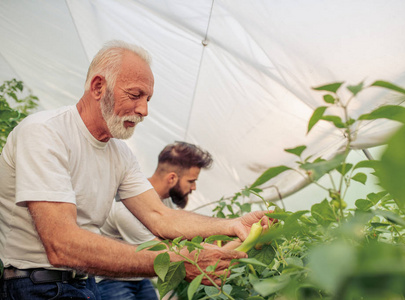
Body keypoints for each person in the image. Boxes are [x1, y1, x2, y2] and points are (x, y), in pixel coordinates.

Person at [0, 40, 269, 299]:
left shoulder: (120, 154)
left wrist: (232, 225)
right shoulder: (45, 133)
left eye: (148, 99)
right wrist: (177, 261)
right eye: (135, 95)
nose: (144, 110)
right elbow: (62, 244)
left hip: (85, 284)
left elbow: (160, 215)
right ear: (98, 87)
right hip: (35, 287)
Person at [97, 141, 213, 300]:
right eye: (191, 181)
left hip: (138, 277)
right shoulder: (126, 206)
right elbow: (168, 254)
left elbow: (179, 232)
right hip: (109, 280)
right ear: (172, 178)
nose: (193, 188)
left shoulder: (163, 201)